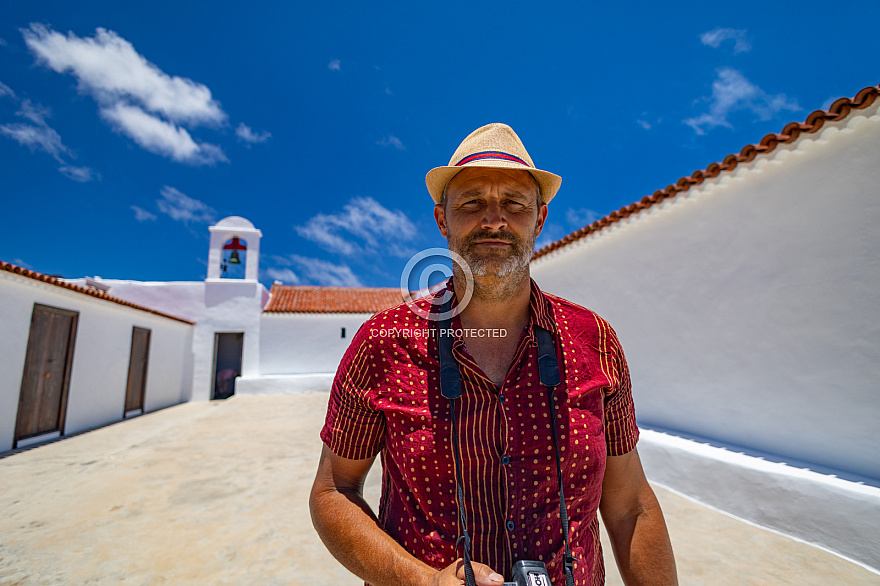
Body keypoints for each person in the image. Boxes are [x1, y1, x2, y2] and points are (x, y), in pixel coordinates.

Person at [310, 123, 678, 585]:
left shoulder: (596, 341)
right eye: (472, 203)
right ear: (442, 220)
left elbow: (630, 507)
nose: (494, 220)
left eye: (514, 204)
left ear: (539, 220)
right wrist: (423, 581)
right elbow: (333, 491)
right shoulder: (382, 341)